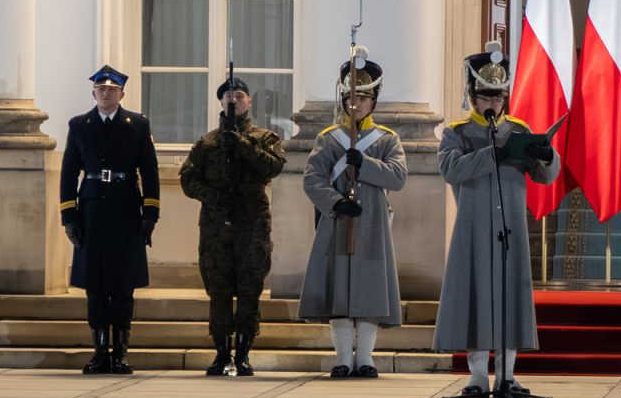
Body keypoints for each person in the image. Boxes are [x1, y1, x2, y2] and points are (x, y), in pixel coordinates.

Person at [433, 46, 562, 398]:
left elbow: (545, 176)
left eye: (498, 96)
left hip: (510, 229)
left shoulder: (518, 129)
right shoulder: (457, 133)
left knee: (510, 299)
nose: (493, 103)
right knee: (475, 298)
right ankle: (477, 375)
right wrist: (490, 154)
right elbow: (450, 169)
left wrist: (547, 155)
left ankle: (507, 374)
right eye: (486, 96)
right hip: (473, 228)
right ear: (472, 96)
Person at [298, 56, 406, 378]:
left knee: (369, 288)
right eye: (350, 98)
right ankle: (343, 358)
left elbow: (397, 177)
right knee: (339, 289)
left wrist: (365, 164)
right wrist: (334, 202)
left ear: (373, 101)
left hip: (372, 224)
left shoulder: (387, 139)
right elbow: (312, 180)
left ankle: (366, 358)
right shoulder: (329, 138)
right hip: (338, 221)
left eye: (362, 98)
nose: (355, 104)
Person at [179, 77, 287, 377]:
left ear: (249, 101)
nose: (233, 100)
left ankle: (243, 354)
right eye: (228, 95)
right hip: (216, 226)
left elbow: (273, 166)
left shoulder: (265, 137)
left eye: (239, 95)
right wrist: (213, 196)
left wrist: (242, 144)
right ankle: (221, 353)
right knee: (219, 291)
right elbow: (188, 179)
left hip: (251, 224)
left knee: (250, 290)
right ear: (221, 102)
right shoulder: (207, 142)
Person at [59, 65, 161, 375]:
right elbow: (68, 172)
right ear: (93, 94)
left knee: (123, 285)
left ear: (121, 94)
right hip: (91, 212)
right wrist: (69, 216)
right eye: (101, 90)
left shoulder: (138, 125)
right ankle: (100, 351)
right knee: (95, 285)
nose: (106, 94)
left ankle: (121, 353)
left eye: (112, 90)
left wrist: (150, 214)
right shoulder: (80, 125)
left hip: (125, 209)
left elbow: (149, 171)